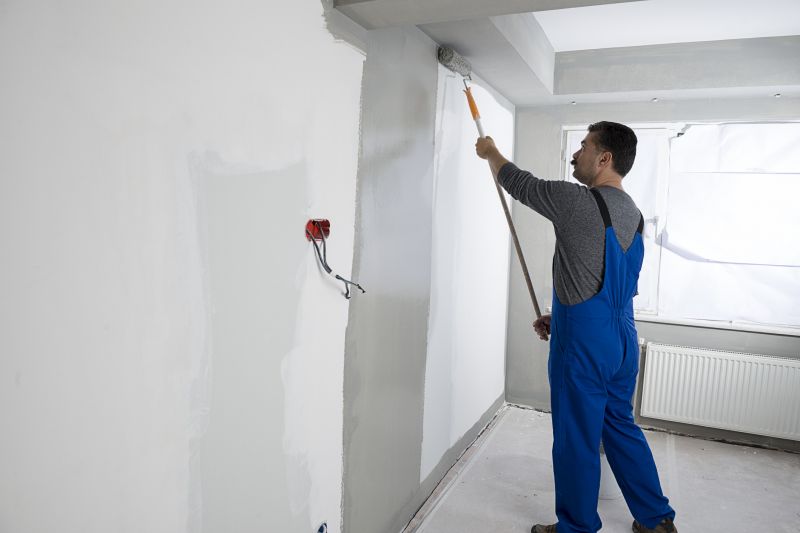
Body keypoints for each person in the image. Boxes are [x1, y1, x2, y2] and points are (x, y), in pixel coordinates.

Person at [475, 122, 677, 533]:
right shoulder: (635, 215)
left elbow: (517, 182)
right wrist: (561, 318)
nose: (575, 154)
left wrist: (490, 151)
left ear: (604, 158)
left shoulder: (574, 201)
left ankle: (577, 527)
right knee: (620, 426)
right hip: (621, 339)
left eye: (583, 146)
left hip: (585, 345)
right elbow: (605, 280)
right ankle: (656, 519)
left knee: (576, 437)